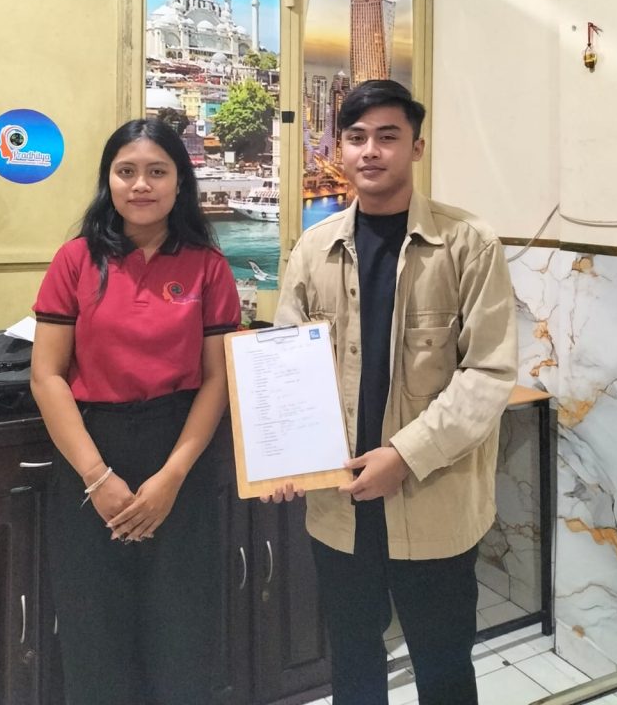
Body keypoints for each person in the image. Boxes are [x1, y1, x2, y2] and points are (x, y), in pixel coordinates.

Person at [272, 79, 518, 705]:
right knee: (353, 664)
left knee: (443, 665)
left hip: (432, 499)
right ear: (341, 149)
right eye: (356, 137)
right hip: (339, 507)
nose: (371, 151)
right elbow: (284, 365)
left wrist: (404, 456)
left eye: (388, 136)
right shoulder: (313, 249)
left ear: (417, 147)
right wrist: (281, 455)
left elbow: (488, 373)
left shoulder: (469, 244)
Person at [31, 118, 240, 705]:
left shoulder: (208, 266)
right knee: (95, 637)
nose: (141, 184)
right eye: (126, 171)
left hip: (181, 453)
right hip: (91, 453)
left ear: (180, 183)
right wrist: (97, 478)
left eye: (156, 171)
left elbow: (217, 379)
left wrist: (172, 478)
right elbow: (47, 376)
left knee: (184, 636)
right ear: (109, 181)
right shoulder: (76, 260)